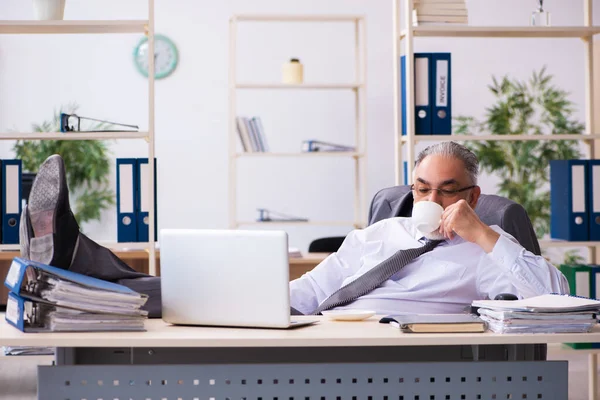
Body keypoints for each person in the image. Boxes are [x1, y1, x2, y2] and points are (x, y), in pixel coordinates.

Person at [289, 141, 569, 316]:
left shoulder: (485, 249)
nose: (432, 200)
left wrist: (483, 235)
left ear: (472, 197)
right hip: (331, 338)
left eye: (447, 191)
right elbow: (314, 287)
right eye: (422, 189)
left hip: (403, 360)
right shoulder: (379, 233)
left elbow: (554, 296)